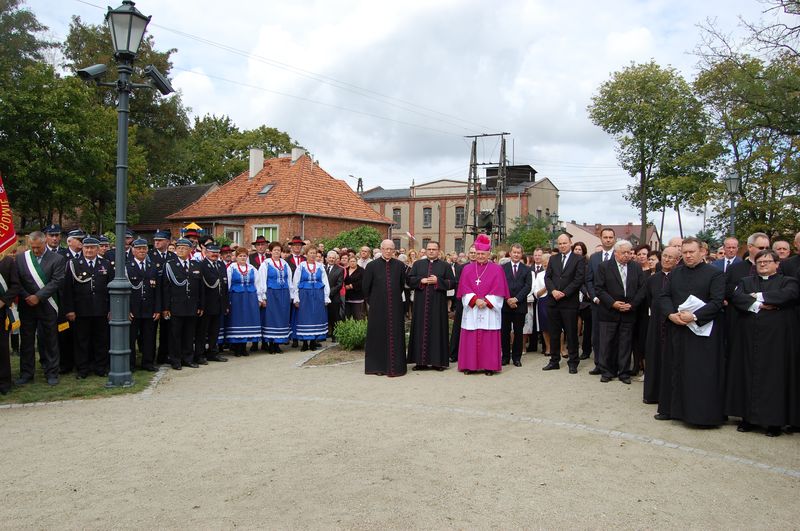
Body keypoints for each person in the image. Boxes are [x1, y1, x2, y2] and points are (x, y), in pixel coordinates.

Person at [656, 237, 726, 426]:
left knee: (699, 374)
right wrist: (671, 314)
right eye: (685, 252)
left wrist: (694, 317)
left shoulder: (715, 274)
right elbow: (664, 296)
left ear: (702, 252)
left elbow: (717, 301)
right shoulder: (676, 273)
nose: (687, 255)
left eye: (691, 252)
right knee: (675, 369)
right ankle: (670, 409)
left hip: (702, 332)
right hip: (678, 329)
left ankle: (699, 416)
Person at [729, 249, 799, 436]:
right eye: (760, 262)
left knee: (774, 378)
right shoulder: (745, 282)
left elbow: (788, 295)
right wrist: (761, 304)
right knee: (746, 375)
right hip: (748, 339)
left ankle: (774, 422)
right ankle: (747, 418)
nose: (763, 264)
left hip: (776, 341)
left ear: (777, 264)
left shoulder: (788, 281)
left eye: (767, 261)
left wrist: (756, 296)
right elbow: (737, 297)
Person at [16, 231, 66, 386]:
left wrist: (38, 296)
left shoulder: (57, 259)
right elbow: (17, 281)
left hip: (47, 305)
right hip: (27, 305)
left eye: (38, 247)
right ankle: (26, 373)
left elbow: (57, 281)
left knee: (50, 340)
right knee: (26, 341)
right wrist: (27, 296)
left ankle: (52, 372)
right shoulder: (21, 258)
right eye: (33, 247)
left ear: (45, 243)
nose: (35, 250)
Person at [594, 240, 647, 384]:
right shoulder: (604, 267)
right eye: (623, 252)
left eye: (629, 253)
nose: (627, 255)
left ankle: (624, 372)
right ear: (616, 253)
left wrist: (632, 304)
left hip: (629, 312)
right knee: (607, 343)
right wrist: (613, 303)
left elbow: (642, 289)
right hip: (609, 312)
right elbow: (599, 288)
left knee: (625, 344)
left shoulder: (636, 267)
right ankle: (606, 371)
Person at [457, 234, 509, 375]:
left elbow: (500, 291)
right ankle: (469, 366)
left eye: (483, 254)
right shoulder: (467, 269)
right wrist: (475, 300)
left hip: (489, 311)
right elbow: (463, 289)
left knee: (489, 337)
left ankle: (489, 367)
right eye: (478, 253)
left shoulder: (497, 269)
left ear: (488, 254)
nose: (480, 256)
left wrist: (486, 301)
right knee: (470, 336)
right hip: (472, 310)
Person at [62, 236, 113, 378]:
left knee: (101, 340)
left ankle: (100, 367)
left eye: (92, 248)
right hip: (81, 310)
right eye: (86, 247)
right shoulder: (73, 264)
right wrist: (70, 309)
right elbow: (67, 290)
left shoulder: (106, 264)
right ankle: (82, 369)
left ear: (98, 249)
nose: (89, 250)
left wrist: (111, 309)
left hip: (101, 310)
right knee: (81, 341)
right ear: (82, 248)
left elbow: (111, 289)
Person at [407, 241, 455, 371]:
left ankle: (437, 362)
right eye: (429, 249)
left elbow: (452, 283)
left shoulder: (445, 265)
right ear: (426, 250)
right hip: (420, 305)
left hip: (438, 304)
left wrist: (438, 281)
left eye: (434, 249)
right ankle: (420, 362)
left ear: (438, 251)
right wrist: (420, 281)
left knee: (437, 330)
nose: (431, 251)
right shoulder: (417, 264)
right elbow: (409, 280)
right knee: (419, 330)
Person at [363, 240, 407, 377]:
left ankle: (396, 367)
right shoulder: (371, 266)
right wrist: (374, 301)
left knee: (396, 334)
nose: (388, 251)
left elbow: (401, 286)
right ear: (381, 249)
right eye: (385, 249)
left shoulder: (400, 265)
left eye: (391, 249)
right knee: (377, 335)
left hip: (395, 306)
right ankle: (378, 367)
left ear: (394, 250)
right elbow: (366, 288)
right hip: (377, 307)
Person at [642, 246, 681, 404]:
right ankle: (653, 393)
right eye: (664, 256)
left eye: (671, 257)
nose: (666, 259)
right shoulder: (652, 279)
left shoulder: (680, 277)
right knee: (654, 356)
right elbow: (648, 301)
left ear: (677, 260)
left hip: (674, 323)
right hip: (655, 322)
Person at [543, 233, 586, 374]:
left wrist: (565, 292)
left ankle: (573, 362)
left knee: (571, 333)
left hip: (569, 302)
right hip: (553, 301)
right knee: (554, 333)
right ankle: (554, 360)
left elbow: (578, 279)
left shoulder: (578, 259)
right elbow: (547, 277)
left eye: (564, 243)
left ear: (570, 243)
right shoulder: (553, 259)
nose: (562, 246)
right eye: (560, 243)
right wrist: (553, 291)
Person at [162, 239, 204, 370]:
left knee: (189, 334)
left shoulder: (196, 265)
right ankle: (175, 360)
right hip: (176, 306)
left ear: (190, 250)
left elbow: (200, 288)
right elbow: (165, 288)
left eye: (184, 248)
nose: (180, 250)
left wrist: (201, 305)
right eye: (178, 247)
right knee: (175, 334)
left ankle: (188, 358)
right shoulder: (170, 265)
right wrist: (166, 307)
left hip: (191, 305)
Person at [127, 238, 161, 372]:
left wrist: (158, 308)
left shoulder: (152, 266)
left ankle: (148, 363)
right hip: (133, 309)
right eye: (139, 248)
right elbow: (124, 291)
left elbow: (157, 290)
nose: (142, 251)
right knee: (130, 338)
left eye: (144, 248)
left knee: (149, 338)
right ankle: (131, 364)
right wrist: (126, 309)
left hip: (149, 308)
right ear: (133, 250)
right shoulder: (126, 266)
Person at [585, 227, 616, 375]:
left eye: (611, 237)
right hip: (597, 303)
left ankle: (612, 365)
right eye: (606, 237)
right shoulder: (594, 258)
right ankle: (599, 363)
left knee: (614, 336)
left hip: (615, 304)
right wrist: (594, 297)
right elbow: (589, 280)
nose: (608, 239)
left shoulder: (619, 255)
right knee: (596, 335)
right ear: (601, 239)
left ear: (614, 239)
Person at [226, 248, 263, 357]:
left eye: (244, 256)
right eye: (240, 256)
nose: (242, 258)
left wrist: (260, 298)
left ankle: (244, 347)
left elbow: (258, 284)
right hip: (236, 297)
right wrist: (227, 299)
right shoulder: (231, 268)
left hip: (250, 297)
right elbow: (227, 284)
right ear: (236, 257)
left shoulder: (252, 269)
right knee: (237, 320)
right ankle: (237, 348)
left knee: (247, 320)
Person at [196, 243, 229, 364]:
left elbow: (225, 286)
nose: (214, 254)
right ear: (206, 252)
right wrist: (201, 305)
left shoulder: (221, 265)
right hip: (207, 304)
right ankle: (199, 355)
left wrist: (225, 305)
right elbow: (201, 288)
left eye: (216, 252)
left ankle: (212, 352)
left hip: (219, 303)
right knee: (202, 331)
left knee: (215, 331)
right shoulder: (201, 265)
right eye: (211, 252)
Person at [292, 247, 330, 351]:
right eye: (311, 253)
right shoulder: (301, 266)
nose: (313, 255)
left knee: (316, 317)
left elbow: (325, 282)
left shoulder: (320, 267)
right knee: (305, 318)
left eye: (314, 253)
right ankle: (304, 343)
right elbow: (296, 283)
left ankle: (313, 342)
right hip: (304, 296)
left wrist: (326, 297)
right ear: (306, 254)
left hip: (318, 295)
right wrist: (296, 298)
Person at [500, 243, 531, 367]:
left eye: (518, 253)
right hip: (505, 305)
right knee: (505, 332)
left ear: (521, 254)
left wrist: (516, 299)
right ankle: (505, 357)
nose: (516, 254)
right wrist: (508, 299)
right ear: (510, 253)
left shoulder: (527, 269)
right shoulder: (502, 268)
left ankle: (517, 358)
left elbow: (528, 286)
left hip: (520, 305)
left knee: (518, 332)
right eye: (514, 252)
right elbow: (500, 284)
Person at [149, 230, 176, 365]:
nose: (156, 242)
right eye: (155, 240)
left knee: (167, 330)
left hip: (168, 298)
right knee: (151, 332)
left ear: (167, 242)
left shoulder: (172, 256)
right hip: (153, 297)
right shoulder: (150, 256)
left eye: (160, 240)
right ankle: (149, 357)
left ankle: (164, 355)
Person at [449, 246, 476, 363]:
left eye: (476, 252)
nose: (474, 255)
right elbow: (458, 283)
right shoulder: (461, 268)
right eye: (471, 253)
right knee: (458, 327)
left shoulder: (486, 267)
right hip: (463, 301)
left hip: (479, 302)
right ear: (468, 254)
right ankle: (454, 354)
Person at [0, 249, 20, 394]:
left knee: (1, 347)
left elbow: (15, 286)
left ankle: (4, 382)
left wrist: (3, 301)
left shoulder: (7, 262)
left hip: (1, 312)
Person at [572, 242, 592, 360]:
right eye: (576, 249)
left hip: (587, 301)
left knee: (589, 327)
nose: (578, 251)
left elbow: (585, 281)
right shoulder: (570, 263)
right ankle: (577, 348)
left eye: (580, 249)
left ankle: (587, 349)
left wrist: (588, 293)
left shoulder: (588, 264)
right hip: (574, 299)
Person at [525, 247, 546, 352]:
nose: (537, 257)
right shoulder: (529, 269)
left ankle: (544, 346)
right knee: (532, 322)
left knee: (543, 321)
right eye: (536, 255)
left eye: (539, 255)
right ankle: (532, 345)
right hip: (531, 299)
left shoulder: (546, 268)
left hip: (543, 299)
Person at [324, 251, 344, 339]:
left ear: (336, 259)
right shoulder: (322, 268)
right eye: (330, 258)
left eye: (333, 258)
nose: (331, 259)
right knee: (324, 316)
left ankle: (335, 335)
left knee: (334, 317)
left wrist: (328, 293)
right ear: (327, 258)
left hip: (334, 297)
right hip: (322, 297)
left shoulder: (340, 270)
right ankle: (324, 334)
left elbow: (339, 285)